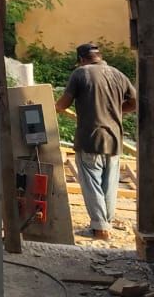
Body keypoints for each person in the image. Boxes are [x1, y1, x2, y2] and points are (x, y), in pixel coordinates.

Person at [55, 42, 137, 240]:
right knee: (109, 184)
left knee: (91, 182)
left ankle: (100, 228)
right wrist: (116, 110)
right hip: (114, 138)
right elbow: (134, 103)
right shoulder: (118, 74)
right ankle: (104, 225)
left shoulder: (81, 73)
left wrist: (55, 107)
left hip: (90, 137)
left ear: (81, 59)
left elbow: (63, 103)